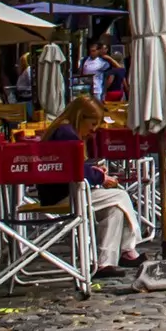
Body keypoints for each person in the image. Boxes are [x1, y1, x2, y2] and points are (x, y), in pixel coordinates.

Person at [39, 95, 145, 273]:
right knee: (120, 195)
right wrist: (100, 177)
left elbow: (73, 166)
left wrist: (94, 170)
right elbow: (75, 169)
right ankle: (128, 249)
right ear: (81, 117)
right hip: (65, 197)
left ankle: (105, 263)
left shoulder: (63, 131)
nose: (93, 130)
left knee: (115, 208)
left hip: (66, 193)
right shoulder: (66, 133)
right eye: (93, 124)